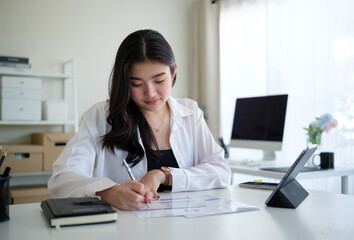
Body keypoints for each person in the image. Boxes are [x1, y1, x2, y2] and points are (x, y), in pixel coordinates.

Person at [48, 29, 231, 211]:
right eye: (136, 84)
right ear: (125, 81)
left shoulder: (190, 113)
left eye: (159, 80)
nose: (150, 93)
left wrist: (164, 175)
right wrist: (110, 192)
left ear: (174, 71)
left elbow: (221, 172)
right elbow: (62, 179)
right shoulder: (100, 116)